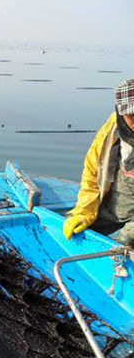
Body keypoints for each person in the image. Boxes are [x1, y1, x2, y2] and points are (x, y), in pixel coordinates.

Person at [64, 79, 134, 245]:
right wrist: (84, 212)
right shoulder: (112, 128)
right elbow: (92, 172)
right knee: (75, 230)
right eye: (131, 114)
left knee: (124, 240)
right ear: (120, 111)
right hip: (117, 205)